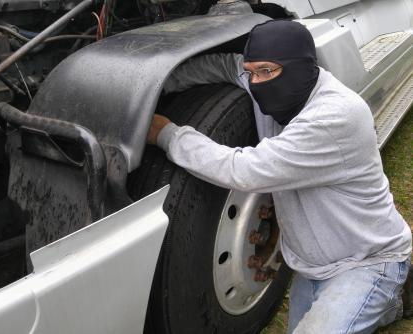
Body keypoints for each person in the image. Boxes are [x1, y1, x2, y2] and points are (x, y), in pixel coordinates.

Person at [146, 20, 412, 333]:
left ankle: (393, 288)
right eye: (252, 72)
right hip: (312, 269)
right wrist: (159, 84)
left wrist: (168, 134)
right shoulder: (277, 81)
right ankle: (385, 305)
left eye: (266, 72)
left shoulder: (337, 115)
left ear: (301, 67)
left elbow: (244, 170)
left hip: (366, 262)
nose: (256, 82)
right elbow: (225, 67)